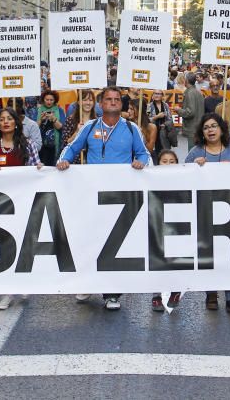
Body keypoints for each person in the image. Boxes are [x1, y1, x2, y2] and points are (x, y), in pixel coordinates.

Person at [57, 86, 151, 310]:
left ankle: (112, 293)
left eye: (117, 99)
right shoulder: (89, 127)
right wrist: (64, 161)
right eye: (108, 99)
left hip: (120, 196)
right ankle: (87, 283)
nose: (113, 102)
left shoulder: (131, 128)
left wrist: (141, 163)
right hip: (92, 194)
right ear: (101, 104)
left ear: (122, 104)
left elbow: (144, 153)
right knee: (90, 240)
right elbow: (70, 148)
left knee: (115, 244)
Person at [185, 113, 230, 317]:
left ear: (222, 129)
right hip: (206, 209)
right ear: (202, 133)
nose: (211, 130)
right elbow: (181, 177)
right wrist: (192, 167)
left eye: (214, 126)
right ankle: (211, 293)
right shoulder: (196, 152)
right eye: (206, 127)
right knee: (209, 252)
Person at [151, 149, 183, 312]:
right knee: (157, 258)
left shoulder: (184, 179)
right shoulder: (152, 179)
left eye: (172, 161)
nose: (168, 165)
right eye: (165, 161)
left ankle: (176, 291)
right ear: (158, 164)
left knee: (176, 258)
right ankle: (156, 295)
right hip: (158, 224)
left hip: (177, 225)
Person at [61, 90, 98, 162]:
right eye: (84, 100)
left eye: (90, 100)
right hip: (76, 161)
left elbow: (101, 140)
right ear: (78, 102)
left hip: (92, 161)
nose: (88, 103)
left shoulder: (97, 122)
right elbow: (66, 144)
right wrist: (77, 132)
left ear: (93, 103)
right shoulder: (70, 120)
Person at [176, 72, 205, 151]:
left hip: (193, 128)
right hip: (196, 127)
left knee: (192, 153)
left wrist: (179, 110)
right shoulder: (196, 91)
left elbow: (190, 112)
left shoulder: (190, 93)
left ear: (186, 81)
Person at [36, 90, 66, 165]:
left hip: (55, 144)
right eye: (47, 100)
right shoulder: (38, 110)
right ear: (43, 100)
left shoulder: (59, 110)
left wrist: (54, 119)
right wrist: (41, 120)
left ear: (55, 100)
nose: (49, 102)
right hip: (42, 145)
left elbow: (61, 127)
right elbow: (35, 128)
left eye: (51, 100)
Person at [147, 90, 173, 158]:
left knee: (165, 151)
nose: (157, 95)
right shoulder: (149, 106)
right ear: (153, 95)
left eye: (159, 94)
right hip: (153, 132)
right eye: (155, 93)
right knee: (155, 153)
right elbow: (146, 120)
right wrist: (157, 117)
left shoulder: (165, 105)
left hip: (164, 131)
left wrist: (165, 124)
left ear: (162, 95)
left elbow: (170, 118)